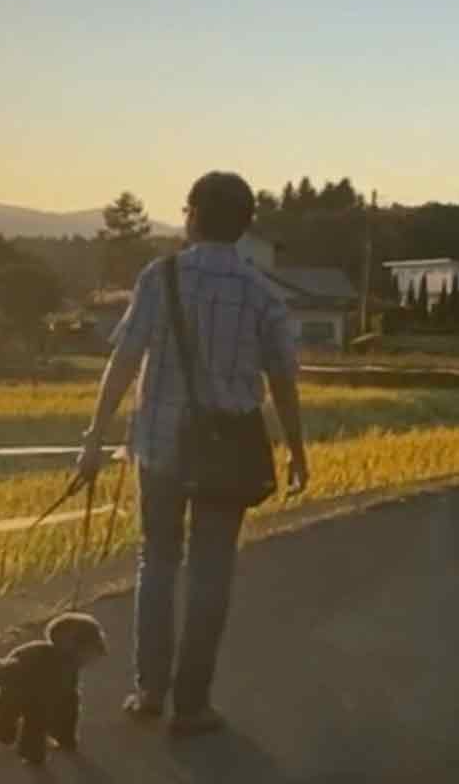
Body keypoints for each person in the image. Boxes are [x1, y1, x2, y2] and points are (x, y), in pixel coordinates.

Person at [76, 171, 308, 736]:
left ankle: (149, 690)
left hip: (159, 446)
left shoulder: (161, 277)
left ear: (192, 216)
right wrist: (297, 451)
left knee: (156, 563)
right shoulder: (262, 293)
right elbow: (282, 380)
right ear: (246, 224)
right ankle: (193, 704)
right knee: (212, 572)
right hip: (228, 451)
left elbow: (125, 360)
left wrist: (94, 436)